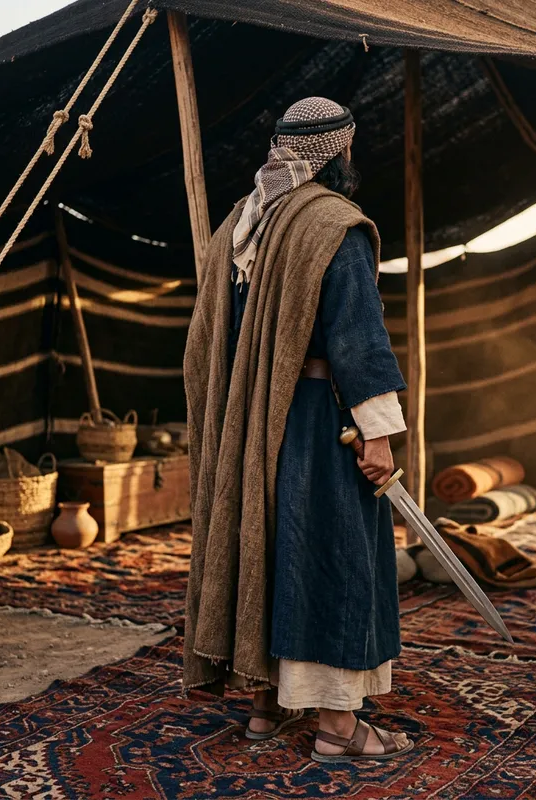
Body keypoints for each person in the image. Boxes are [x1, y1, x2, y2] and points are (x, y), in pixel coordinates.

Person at [183, 96, 413, 762]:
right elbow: (356, 338)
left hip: (250, 424)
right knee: (335, 557)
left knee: (264, 546)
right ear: (339, 152)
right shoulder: (333, 225)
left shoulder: (239, 222)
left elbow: (203, 342)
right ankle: (339, 728)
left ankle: (264, 708)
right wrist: (377, 433)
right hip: (315, 421)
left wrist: (236, 413)